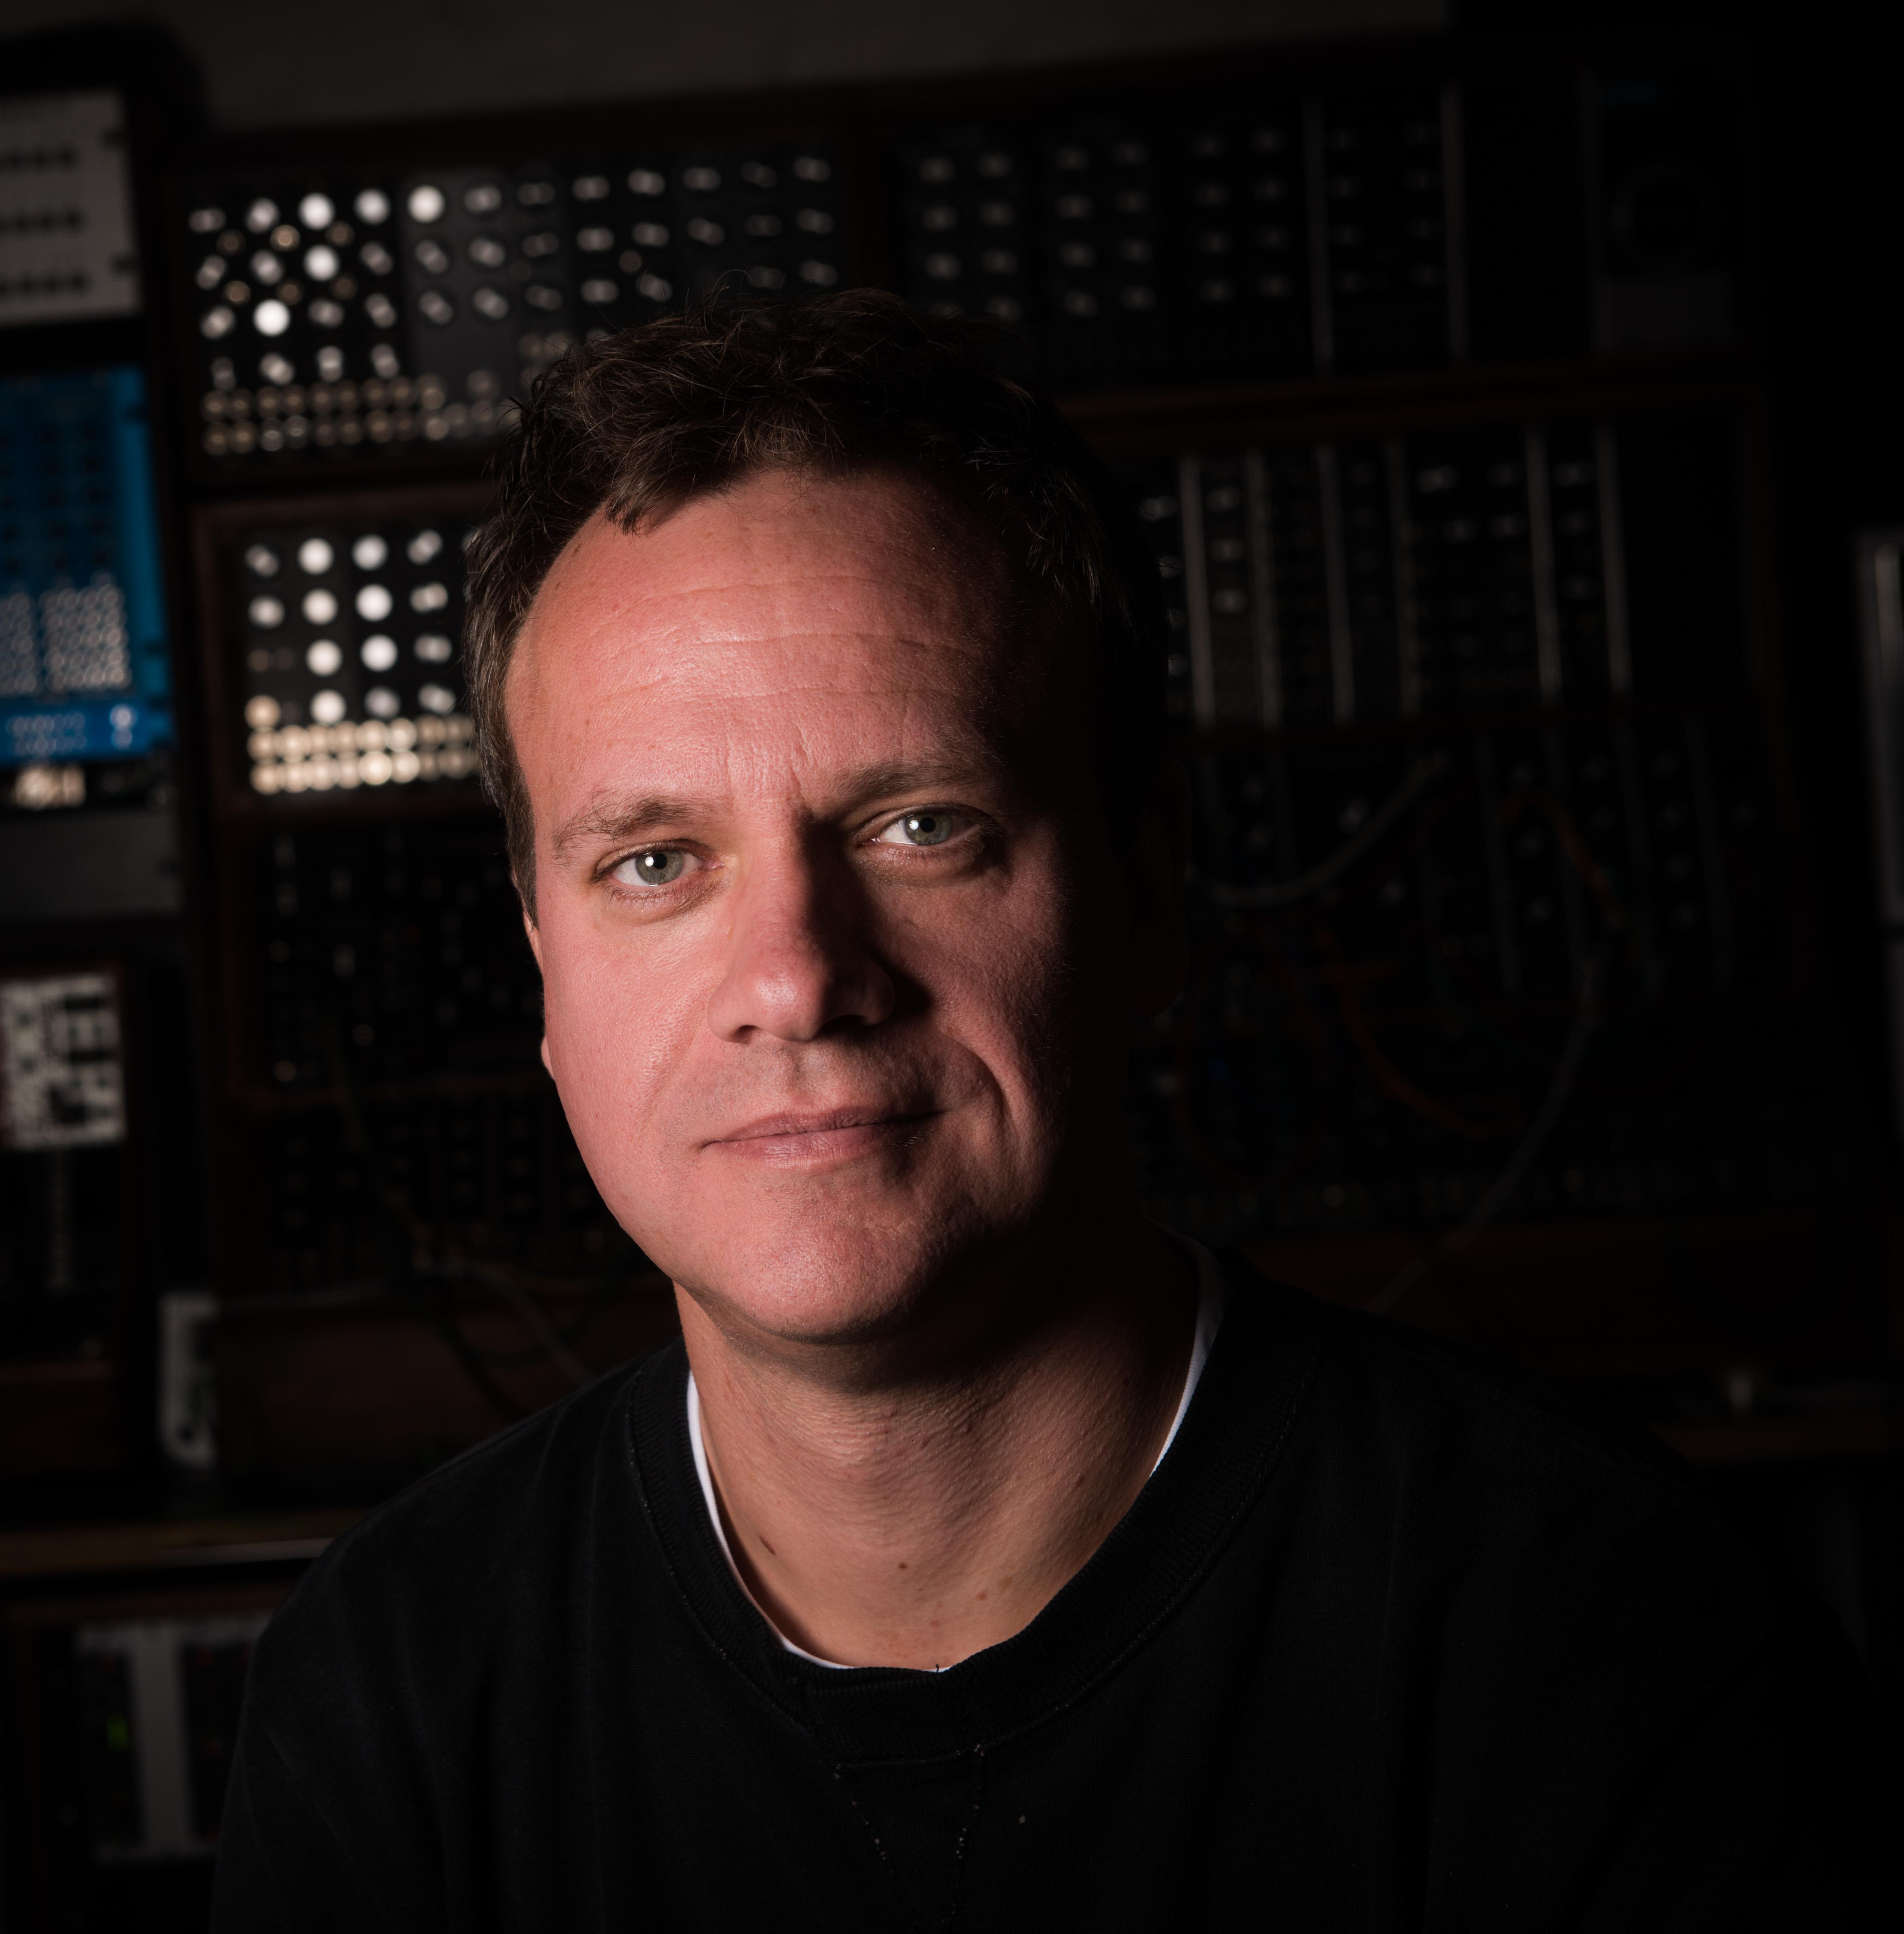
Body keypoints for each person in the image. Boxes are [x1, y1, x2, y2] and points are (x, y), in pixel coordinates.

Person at [210, 291, 1882, 1927]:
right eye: (653, 864)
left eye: (919, 826)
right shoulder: (392, 1691)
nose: (797, 980)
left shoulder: (1602, 1629)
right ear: (543, 968)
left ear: (1144, 888)